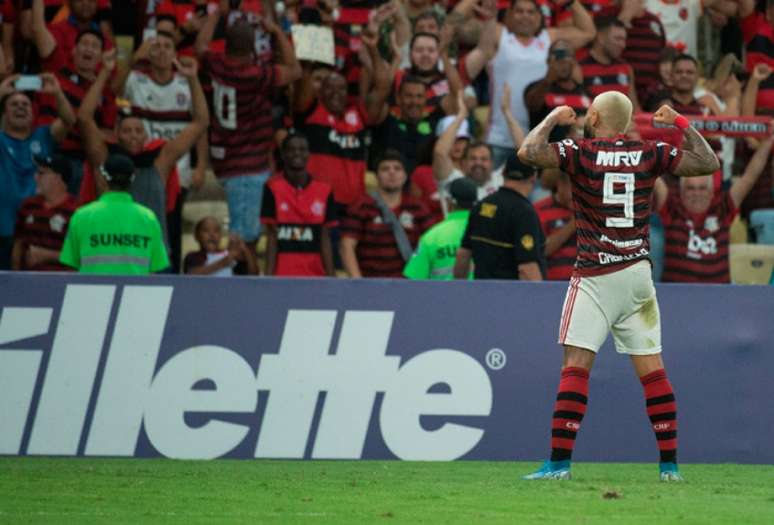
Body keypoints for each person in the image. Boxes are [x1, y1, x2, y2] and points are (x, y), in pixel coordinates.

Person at [517, 91, 720, 481]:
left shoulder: (579, 151)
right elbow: (708, 162)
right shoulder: (649, 152)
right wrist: (679, 122)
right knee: (653, 372)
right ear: (626, 122)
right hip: (637, 275)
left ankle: (558, 465)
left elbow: (528, 153)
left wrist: (552, 120)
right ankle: (670, 468)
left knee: (576, 366)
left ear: (592, 116)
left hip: (595, 273)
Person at [79, 49, 209, 248]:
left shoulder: (160, 160)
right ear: (116, 135)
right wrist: (105, 72)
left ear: (146, 136)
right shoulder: (105, 158)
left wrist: (192, 79)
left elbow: (201, 122)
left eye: (138, 131)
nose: (133, 136)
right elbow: (84, 118)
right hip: (110, 254)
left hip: (151, 257)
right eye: (127, 131)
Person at [196, 11, 301, 251]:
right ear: (253, 46)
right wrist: (276, 31)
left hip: (224, 160)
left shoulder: (216, 63)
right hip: (247, 167)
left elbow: (200, 46)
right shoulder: (256, 75)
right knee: (244, 241)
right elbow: (294, 70)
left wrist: (214, 16)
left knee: (242, 236)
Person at [462, 0, 596, 168]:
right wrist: (484, 15)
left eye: (531, 12)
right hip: (499, 138)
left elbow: (588, 32)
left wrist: (571, 3)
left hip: (538, 140)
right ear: (509, 14)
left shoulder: (549, 38)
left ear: (540, 17)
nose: (525, 16)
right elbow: (462, 28)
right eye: (519, 11)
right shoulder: (499, 34)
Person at [123, 29, 209, 272]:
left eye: (167, 46)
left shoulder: (185, 83)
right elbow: (113, 92)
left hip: (173, 169)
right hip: (141, 167)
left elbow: (200, 124)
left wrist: (200, 165)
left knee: (169, 228)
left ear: (175, 53)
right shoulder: (136, 80)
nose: (161, 51)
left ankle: (169, 278)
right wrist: (132, 59)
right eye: (155, 46)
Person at [654, 130, 774, 283]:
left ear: (712, 192)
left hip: (720, 297)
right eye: (691, 188)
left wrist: (768, 141)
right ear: (681, 192)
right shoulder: (672, 207)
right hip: (677, 296)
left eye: (702, 188)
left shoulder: (722, 207)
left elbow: (749, 177)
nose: (696, 193)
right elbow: (650, 171)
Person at [0, 73, 75, 270]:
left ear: (34, 113)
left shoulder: (43, 135)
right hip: (2, 229)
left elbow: (69, 121)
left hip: (35, 232)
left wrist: (57, 93)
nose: (20, 107)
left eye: (25, 104)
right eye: (13, 104)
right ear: (3, 113)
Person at [60, 154, 170, 274]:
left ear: (103, 178)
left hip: (92, 291)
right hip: (134, 292)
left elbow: (71, 267)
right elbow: (155, 269)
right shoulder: (148, 218)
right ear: (133, 179)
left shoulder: (81, 216)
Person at [340, 150, 433, 278]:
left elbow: (431, 245)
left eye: (397, 168)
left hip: (410, 286)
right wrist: (358, 283)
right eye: (385, 169)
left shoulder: (419, 208)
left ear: (405, 176)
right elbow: (347, 246)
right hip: (370, 285)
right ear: (376, 176)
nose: (392, 172)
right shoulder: (361, 206)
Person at [453, 154, 545, 280]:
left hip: (480, 294)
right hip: (511, 296)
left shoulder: (481, 205)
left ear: (503, 173)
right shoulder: (524, 213)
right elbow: (527, 268)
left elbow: (463, 255)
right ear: (534, 177)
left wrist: (460, 290)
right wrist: (539, 298)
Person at [261, 134, 337, 277]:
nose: (297, 153)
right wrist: (268, 278)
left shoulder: (325, 190)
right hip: (283, 275)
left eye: (302, 149)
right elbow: (272, 236)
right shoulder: (271, 188)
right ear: (283, 154)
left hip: (315, 275)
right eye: (292, 149)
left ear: (309, 154)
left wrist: (331, 277)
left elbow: (324, 237)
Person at [11, 154, 79, 271]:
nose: (35, 177)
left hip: (61, 282)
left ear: (58, 177)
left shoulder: (77, 211)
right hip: (27, 281)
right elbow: (18, 244)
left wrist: (47, 255)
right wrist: (14, 277)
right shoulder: (29, 206)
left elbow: (80, 256)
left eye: (41, 173)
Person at [404, 177, 478, 280]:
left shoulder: (432, 236)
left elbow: (414, 279)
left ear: (449, 203)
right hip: (483, 295)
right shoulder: (489, 233)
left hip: (441, 295)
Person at [524, 39, 592, 142]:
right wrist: (548, 80)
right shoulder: (536, 88)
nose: (563, 62)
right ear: (548, 61)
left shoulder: (586, 92)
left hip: (578, 154)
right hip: (546, 154)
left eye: (567, 55)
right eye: (558, 55)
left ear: (573, 60)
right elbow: (533, 106)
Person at [578, 17, 639, 108]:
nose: (623, 45)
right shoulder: (580, 68)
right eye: (618, 39)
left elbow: (634, 109)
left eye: (624, 40)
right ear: (601, 38)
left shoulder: (626, 68)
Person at [535, 170, 576, 280]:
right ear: (561, 184)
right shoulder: (539, 210)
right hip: (553, 287)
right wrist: (573, 224)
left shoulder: (591, 210)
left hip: (585, 288)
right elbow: (541, 251)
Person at [183, 216, 257, 276]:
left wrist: (245, 251)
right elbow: (191, 274)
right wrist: (222, 263)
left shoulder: (229, 255)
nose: (212, 235)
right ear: (197, 236)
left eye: (216, 231)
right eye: (206, 230)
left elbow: (253, 275)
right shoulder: (193, 256)